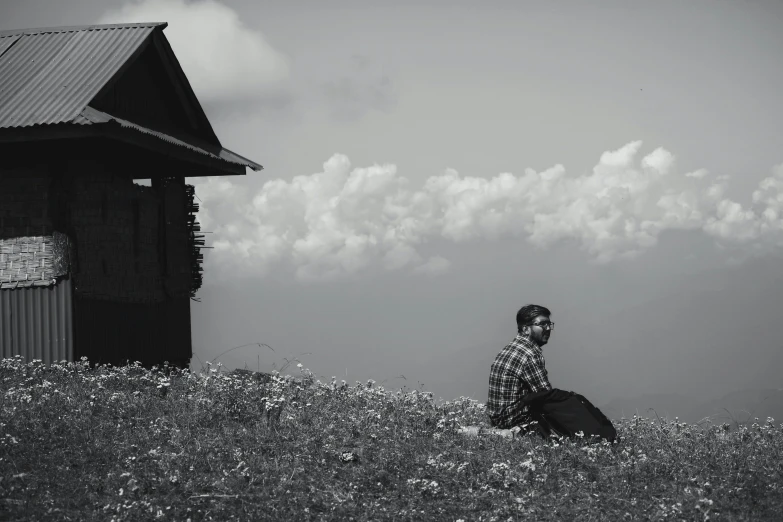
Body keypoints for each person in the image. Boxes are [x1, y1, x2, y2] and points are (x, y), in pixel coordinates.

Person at [487, 304, 554, 435]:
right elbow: (546, 395)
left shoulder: (509, 348)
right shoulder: (530, 354)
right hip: (516, 421)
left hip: (497, 419)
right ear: (526, 329)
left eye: (549, 324)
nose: (548, 328)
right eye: (542, 324)